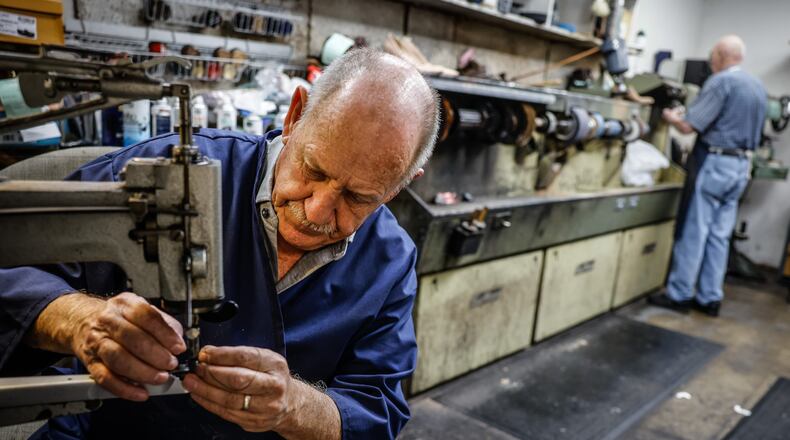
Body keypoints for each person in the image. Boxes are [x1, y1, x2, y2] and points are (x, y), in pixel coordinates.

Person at [0, 49, 440, 439]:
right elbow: (12, 273)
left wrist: (294, 406)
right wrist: (78, 320)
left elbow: (377, 411)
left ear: (398, 187)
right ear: (295, 115)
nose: (318, 211)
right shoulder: (164, 177)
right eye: (313, 169)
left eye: (358, 198)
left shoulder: (391, 259)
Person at [648, 35, 766, 317]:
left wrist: (669, 116)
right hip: (740, 167)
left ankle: (679, 295)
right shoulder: (757, 86)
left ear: (723, 56)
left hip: (715, 164)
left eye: (713, 56)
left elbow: (689, 127)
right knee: (719, 235)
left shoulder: (721, 82)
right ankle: (710, 298)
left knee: (695, 230)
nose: (711, 62)